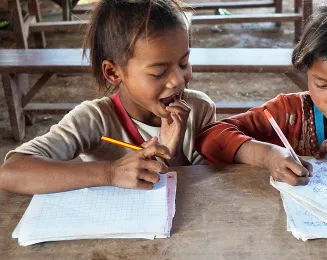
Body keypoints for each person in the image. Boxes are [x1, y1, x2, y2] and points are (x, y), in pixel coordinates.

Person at [0, 0, 215, 194]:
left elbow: (215, 187)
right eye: (158, 72)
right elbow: (11, 171)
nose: (178, 80)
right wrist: (110, 173)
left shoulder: (199, 109)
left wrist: (174, 156)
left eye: (183, 63)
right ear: (113, 73)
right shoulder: (95, 120)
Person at [195, 0, 327, 186]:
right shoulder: (289, 112)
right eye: (321, 85)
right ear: (307, 70)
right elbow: (209, 138)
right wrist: (267, 155)